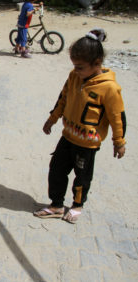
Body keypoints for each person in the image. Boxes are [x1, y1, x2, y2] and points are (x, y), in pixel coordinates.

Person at [34, 28, 127, 223]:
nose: (76, 70)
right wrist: (52, 119)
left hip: (87, 145)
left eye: (80, 67)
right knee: (56, 169)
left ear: (97, 63)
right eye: (74, 66)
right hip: (67, 136)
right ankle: (57, 205)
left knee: (82, 177)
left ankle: (77, 205)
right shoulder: (74, 77)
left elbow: (117, 117)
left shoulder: (109, 88)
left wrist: (119, 142)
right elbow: (63, 98)